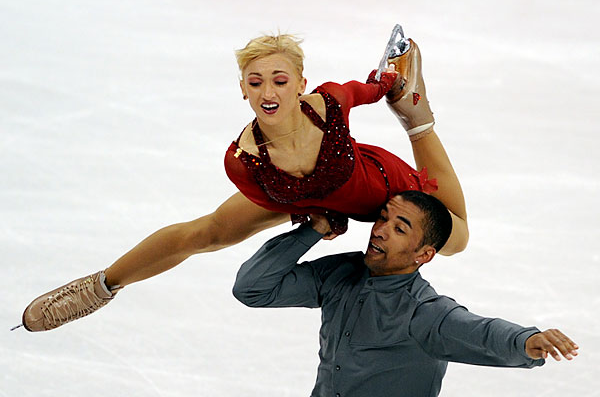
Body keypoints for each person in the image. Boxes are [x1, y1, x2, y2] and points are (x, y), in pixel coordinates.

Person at [18, 30, 468, 332]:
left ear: (299, 84)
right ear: (243, 89)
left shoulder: (329, 103)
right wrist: (316, 216)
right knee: (208, 232)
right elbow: (275, 203)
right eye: (255, 83)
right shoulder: (243, 161)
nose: (267, 93)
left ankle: (417, 114)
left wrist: (391, 81)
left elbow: (369, 88)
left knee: (455, 238)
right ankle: (99, 287)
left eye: (279, 80)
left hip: (379, 186)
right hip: (295, 192)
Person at [232, 190, 579, 397]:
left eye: (399, 228)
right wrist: (313, 230)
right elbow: (252, 288)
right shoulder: (339, 274)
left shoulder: (422, 312)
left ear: (424, 254)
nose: (380, 231)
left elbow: (477, 330)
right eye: (383, 218)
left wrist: (526, 341)